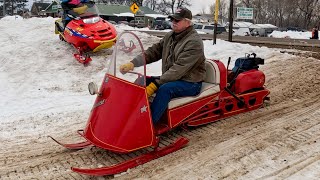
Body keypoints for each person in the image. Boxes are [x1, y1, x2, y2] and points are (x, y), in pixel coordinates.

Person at [119, 7, 206, 124]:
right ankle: (128, 114)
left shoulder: (194, 42)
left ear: (188, 22)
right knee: (142, 80)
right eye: (173, 19)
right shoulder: (170, 36)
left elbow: (178, 69)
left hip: (190, 82)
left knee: (165, 89)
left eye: (177, 20)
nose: (174, 22)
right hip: (173, 78)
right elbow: (154, 51)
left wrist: (157, 83)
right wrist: (133, 63)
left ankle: (148, 125)